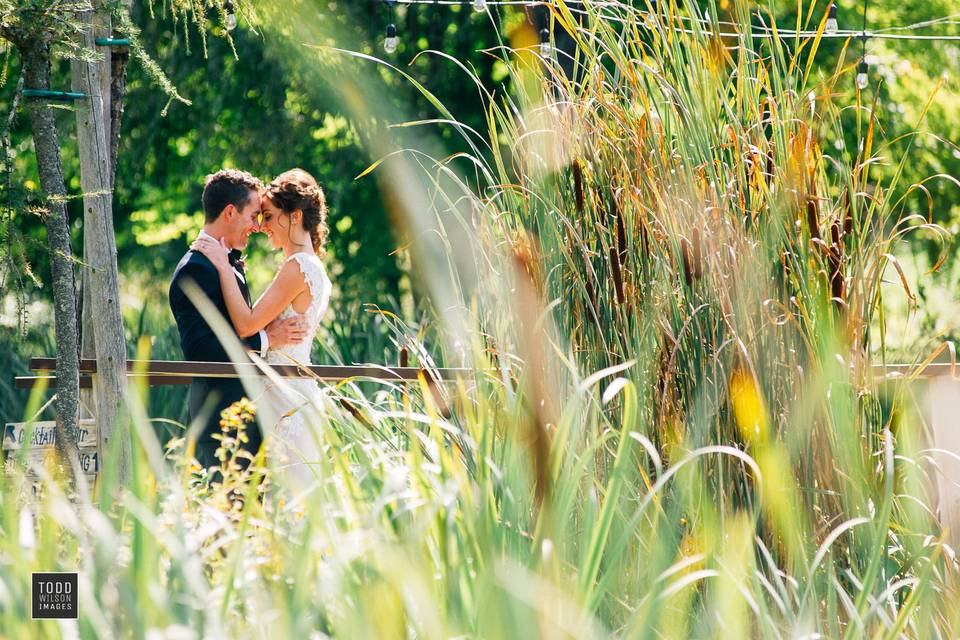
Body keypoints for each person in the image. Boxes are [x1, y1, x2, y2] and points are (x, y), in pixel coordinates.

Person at [190, 168, 332, 489]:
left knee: (288, 500)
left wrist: (224, 268)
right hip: (291, 393)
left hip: (286, 400)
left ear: (294, 217)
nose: (261, 226)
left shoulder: (297, 267)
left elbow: (246, 324)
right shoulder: (310, 265)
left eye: (268, 217)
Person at [169, 169, 308, 471]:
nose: (257, 227)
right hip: (219, 418)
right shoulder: (195, 269)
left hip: (245, 417)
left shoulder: (225, 262)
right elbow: (201, 352)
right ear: (230, 212)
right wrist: (269, 339)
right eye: (253, 215)